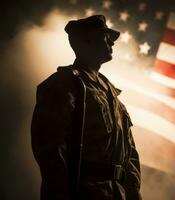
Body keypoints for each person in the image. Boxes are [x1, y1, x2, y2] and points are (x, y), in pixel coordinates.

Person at [31, 15, 142, 200]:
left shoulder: (112, 93)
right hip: (85, 193)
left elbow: (129, 153)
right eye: (104, 37)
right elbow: (51, 149)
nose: (111, 43)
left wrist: (133, 191)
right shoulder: (64, 84)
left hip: (117, 194)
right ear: (86, 41)